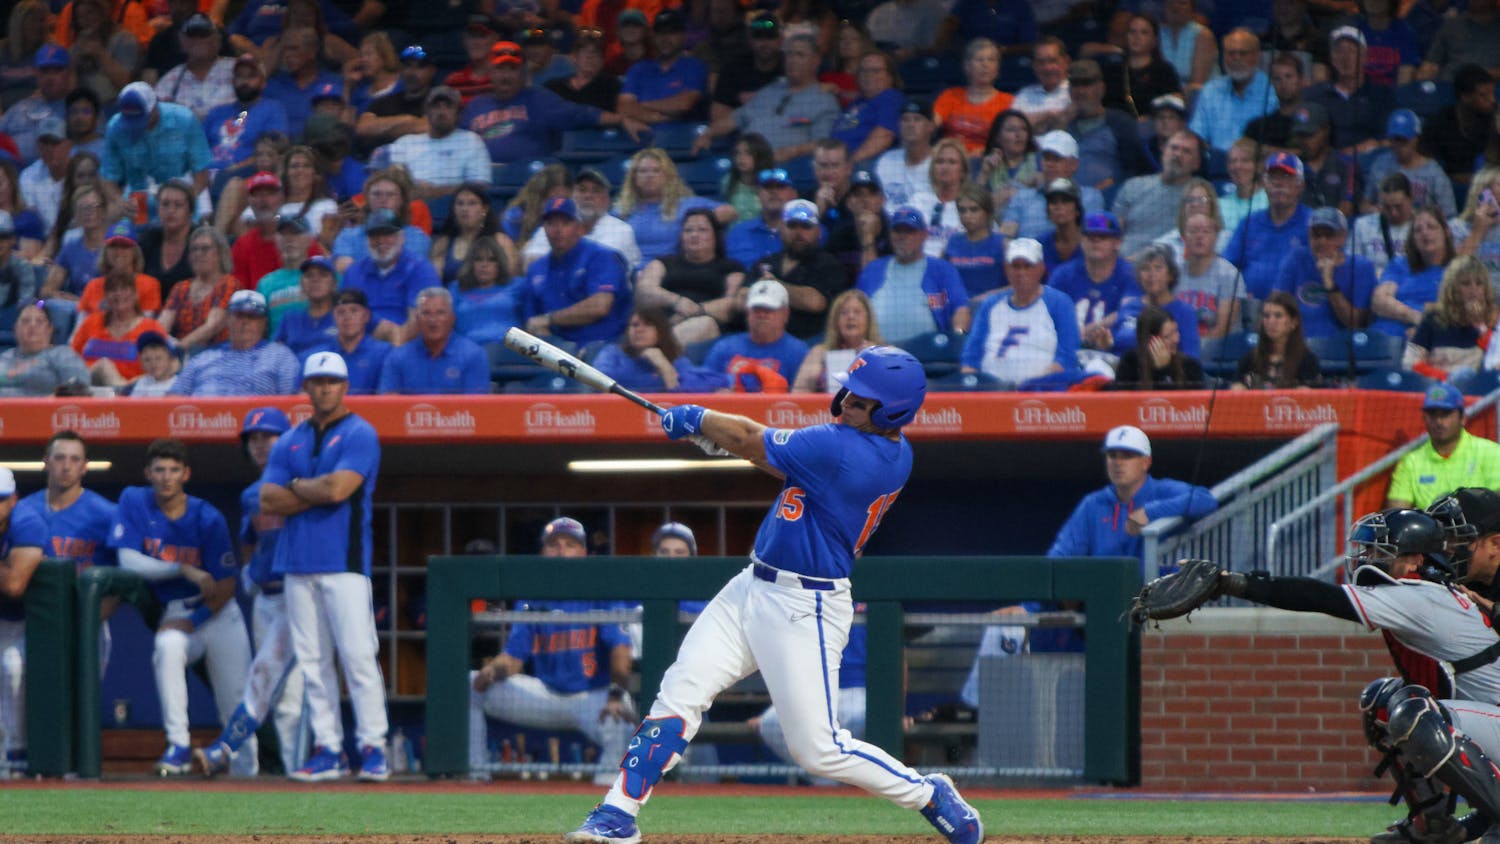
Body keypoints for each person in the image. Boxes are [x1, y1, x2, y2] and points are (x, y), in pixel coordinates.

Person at [563, 345, 987, 844]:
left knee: (818, 750)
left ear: (894, 410)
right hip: (751, 586)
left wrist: (698, 417)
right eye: (849, 390)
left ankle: (929, 793)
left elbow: (751, 437)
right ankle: (618, 812)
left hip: (804, 606)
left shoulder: (849, 450)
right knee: (679, 692)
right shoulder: (870, 446)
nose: (848, 400)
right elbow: (781, 460)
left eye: (863, 399)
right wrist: (727, 442)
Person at [259, 351, 388, 782]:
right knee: (313, 661)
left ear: (344, 386)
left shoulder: (360, 432)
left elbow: (338, 489)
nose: (325, 388)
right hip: (296, 562)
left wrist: (296, 487)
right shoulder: (289, 438)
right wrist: (307, 491)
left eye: (332, 381)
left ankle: (374, 746)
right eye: (317, 381)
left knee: (357, 656)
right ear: (307, 387)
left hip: (344, 562)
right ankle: (329, 748)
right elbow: (267, 498)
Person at [110, 437, 252, 777]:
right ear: (148, 472)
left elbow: (227, 585)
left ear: (186, 474)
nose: (166, 477)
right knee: (167, 646)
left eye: (174, 470)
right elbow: (126, 560)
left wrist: (197, 619)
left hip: (217, 614)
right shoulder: (134, 500)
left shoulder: (207, 516)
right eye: (159, 469)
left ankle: (248, 771)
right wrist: (180, 569)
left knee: (235, 697)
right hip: (177, 607)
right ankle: (178, 744)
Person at [469, 517, 636, 784]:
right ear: (542, 553)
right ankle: (474, 775)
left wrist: (617, 693)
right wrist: (492, 670)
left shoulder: (601, 589)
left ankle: (606, 798)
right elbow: (514, 658)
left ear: (583, 553)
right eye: (553, 545)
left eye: (570, 545)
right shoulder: (533, 595)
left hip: (592, 697)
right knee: (470, 685)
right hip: (545, 696)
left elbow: (619, 649)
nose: (561, 551)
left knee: (622, 723)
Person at [194, 407, 304, 779]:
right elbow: (249, 540)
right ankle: (252, 772)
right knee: (265, 686)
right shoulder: (250, 495)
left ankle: (294, 775)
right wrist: (249, 571)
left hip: (298, 597)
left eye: (267, 436)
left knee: (289, 698)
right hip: (265, 598)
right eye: (253, 439)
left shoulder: (303, 484)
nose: (259, 445)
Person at [0, 431, 117, 771]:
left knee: (78, 700)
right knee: (13, 675)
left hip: (80, 617)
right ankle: (18, 757)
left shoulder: (104, 512)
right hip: (29, 619)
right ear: (46, 462)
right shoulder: (32, 505)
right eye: (59, 457)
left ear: (84, 467)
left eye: (74, 459)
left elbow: (119, 579)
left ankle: (75, 768)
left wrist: (91, 621)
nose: (66, 466)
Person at [1048, 425, 1217, 569]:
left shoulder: (1161, 490)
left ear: (1146, 462)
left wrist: (1149, 512)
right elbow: (1062, 554)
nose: (1118, 462)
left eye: (1127, 456)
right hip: (1108, 595)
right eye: (1112, 455)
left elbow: (1206, 500)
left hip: (1158, 598)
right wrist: (1031, 605)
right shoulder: (1093, 504)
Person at [463, 40, 646, 165]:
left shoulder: (538, 99)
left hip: (528, 179)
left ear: (522, 73)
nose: (505, 76)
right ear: (491, 72)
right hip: (483, 183)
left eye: (512, 69)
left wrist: (620, 119)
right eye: (500, 69)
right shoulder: (475, 106)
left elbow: (580, 114)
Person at [690, 33, 840, 162]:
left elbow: (822, 142)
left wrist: (791, 151)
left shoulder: (824, 100)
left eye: (800, 55)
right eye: (789, 54)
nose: (792, 60)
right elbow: (737, 118)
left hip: (784, 168)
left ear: (816, 61)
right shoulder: (771, 89)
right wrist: (709, 133)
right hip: (745, 162)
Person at [960, 237, 1079, 387]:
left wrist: (1026, 387)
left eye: (1028, 266)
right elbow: (971, 358)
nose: (1021, 272)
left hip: (1042, 393)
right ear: (1006, 269)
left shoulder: (1059, 303)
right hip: (991, 393)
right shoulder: (990, 305)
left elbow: (1067, 358)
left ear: (1041, 268)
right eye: (1015, 266)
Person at [519, 197, 632, 346]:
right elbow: (532, 320)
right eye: (551, 223)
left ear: (579, 228)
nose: (558, 230)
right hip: (556, 349)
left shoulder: (602, 256)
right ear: (544, 229)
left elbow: (600, 306)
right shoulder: (537, 269)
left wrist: (550, 319)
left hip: (602, 344)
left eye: (565, 223)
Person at [855, 206, 969, 346]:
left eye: (910, 231)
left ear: (924, 235)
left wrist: (957, 340)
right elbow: (856, 308)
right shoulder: (873, 269)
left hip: (929, 354)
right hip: (879, 353)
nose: (903, 236)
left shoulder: (942, 269)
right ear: (890, 235)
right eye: (898, 231)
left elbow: (960, 307)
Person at [636, 209, 745, 347]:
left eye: (702, 230)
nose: (694, 235)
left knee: (703, 324)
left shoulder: (732, 267)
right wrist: (677, 302)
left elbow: (732, 303)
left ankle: (659, 350)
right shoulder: (663, 263)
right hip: (662, 323)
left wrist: (693, 311)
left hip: (705, 324)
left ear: (716, 236)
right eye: (688, 230)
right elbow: (644, 291)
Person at [1385, 383, 1500, 508]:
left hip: (1479, 527)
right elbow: (1397, 513)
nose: (1439, 421)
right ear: (1424, 418)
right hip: (1431, 527)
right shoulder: (1411, 462)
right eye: (1432, 414)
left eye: (1446, 414)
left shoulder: (1491, 452)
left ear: (1463, 418)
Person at [750, 199, 851, 341]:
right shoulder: (766, 262)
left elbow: (815, 302)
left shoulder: (829, 264)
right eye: (792, 225)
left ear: (818, 231)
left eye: (806, 226)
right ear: (781, 228)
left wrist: (770, 287)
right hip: (765, 340)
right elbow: (741, 298)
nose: (798, 232)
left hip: (811, 341)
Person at [169, 290, 301, 396]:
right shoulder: (203, 358)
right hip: (207, 424)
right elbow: (172, 401)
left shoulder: (281, 357)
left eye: (252, 317)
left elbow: (291, 404)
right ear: (227, 319)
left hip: (256, 426)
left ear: (264, 323)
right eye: (239, 316)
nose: (245, 322)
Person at [615, 148, 732, 267]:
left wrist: (698, 223)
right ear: (634, 177)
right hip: (631, 271)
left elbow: (729, 212)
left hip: (674, 270)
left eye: (656, 170)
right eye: (643, 171)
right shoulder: (622, 210)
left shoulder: (687, 205)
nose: (649, 176)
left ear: (668, 176)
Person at [1271, 207, 1376, 339]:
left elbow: (1354, 322)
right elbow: (1276, 304)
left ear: (1343, 237)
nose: (1322, 241)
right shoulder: (1297, 258)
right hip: (1297, 344)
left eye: (1329, 235)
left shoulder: (1361, 267)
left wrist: (1328, 281)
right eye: (1316, 235)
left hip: (1340, 349)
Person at [1226, 152, 1313, 311]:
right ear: (1265, 185)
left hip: (1297, 311)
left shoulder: (1313, 224)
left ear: (1300, 185)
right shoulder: (1249, 223)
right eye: (1273, 178)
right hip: (1250, 308)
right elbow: (1227, 267)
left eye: (1286, 178)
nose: (1279, 184)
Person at [341, 209, 442, 343]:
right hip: (361, 345)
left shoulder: (421, 268)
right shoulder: (353, 272)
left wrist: (395, 342)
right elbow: (344, 315)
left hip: (408, 346)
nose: (381, 241)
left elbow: (421, 320)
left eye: (388, 234)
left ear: (402, 238)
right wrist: (381, 328)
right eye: (374, 236)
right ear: (367, 240)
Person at [102, 82, 211, 203]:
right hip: (139, 194)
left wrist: (187, 202)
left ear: (154, 106)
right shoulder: (115, 127)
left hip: (183, 188)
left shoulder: (185, 120)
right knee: (113, 215)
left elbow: (201, 171)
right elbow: (108, 176)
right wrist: (120, 202)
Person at [1049, 211, 1139, 356]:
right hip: (1066, 353)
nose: (1096, 241)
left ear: (1117, 242)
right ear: (1081, 240)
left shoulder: (1131, 275)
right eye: (1090, 237)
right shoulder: (1063, 274)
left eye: (1103, 237)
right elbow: (1048, 312)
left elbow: (1130, 311)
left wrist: (1095, 327)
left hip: (1113, 353)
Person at [1403, 256, 1496, 387]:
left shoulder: (1494, 321)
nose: (1473, 290)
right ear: (1452, 288)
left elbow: (1495, 360)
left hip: (1480, 394)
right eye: (1466, 283)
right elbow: (1410, 362)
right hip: (1438, 390)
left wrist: (1479, 325)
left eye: (1479, 284)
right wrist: (1446, 378)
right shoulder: (1433, 318)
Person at [703, 279, 810, 392]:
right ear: (748, 312)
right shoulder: (724, 347)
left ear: (785, 313)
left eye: (769, 309)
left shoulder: (798, 351)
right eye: (756, 309)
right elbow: (702, 385)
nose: (762, 315)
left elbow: (801, 396)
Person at [376, 287, 489, 394]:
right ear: (417, 319)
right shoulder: (397, 357)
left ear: (452, 318)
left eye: (440, 313)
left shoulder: (474, 355)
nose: (433, 320)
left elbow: (475, 408)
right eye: (426, 313)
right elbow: (389, 406)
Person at [387, 87, 492, 202]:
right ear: (426, 112)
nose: (442, 111)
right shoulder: (405, 142)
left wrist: (436, 192)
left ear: (458, 113)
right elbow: (389, 182)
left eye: (448, 106)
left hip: (452, 209)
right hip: (409, 207)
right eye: (436, 106)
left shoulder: (471, 141)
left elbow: (480, 186)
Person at [1064, 59, 1152, 192]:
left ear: (1101, 88)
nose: (1080, 91)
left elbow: (1138, 168)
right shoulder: (1063, 124)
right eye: (1075, 85)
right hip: (1065, 200)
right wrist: (1060, 124)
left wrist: (1116, 181)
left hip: (1110, 197)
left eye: (1087, 84)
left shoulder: (1120, 122)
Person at [1112, 130, 1203, 256]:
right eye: (1174, 148)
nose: (1177, 154)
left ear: (1197, 164)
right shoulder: (1133, 186)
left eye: (1186, 151)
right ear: (1164, 151)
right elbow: (1114, 232)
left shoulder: (1198, 194)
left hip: (1168, 267)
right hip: (1124, 264)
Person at [1000, 131, 1105, 241]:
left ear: (1074, 165)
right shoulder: (1022, 197)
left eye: (1056, 159)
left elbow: (1094, 237)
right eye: (1046, 158)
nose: (1050, 164)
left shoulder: (1090, 197)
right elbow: (1006, 236)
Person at [1188, 30, 1278, 156]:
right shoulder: (1211, 89)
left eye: (1243, 53)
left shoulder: (1271, 90)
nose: (1236, 58)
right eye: (1231, 53)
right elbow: (1197, 136)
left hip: (1255, 165)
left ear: (1257, 56)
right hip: (1214, 166)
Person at [70, 271, 168, 387]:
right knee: (104, 366)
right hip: (89, 388)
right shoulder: (91, 322)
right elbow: (72, 357)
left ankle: (121, 391)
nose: (119, 294)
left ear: (135, 294)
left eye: (124, 289)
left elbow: (166, 365)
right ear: (105, 296)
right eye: (113, 290)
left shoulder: (152, 328)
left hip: (135, 389)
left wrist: (137, 383)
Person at [1371, 207, 1454, 338]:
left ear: (1447, 232)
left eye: (1431, 227)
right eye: (1418, 230)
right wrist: (1416, 316)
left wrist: (1425, 329)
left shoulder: (1457, 269)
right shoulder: (1400, 264)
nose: (1425, 233)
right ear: (1413, 238)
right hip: (1382, 337)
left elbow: (1452, 313)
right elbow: (1379, 301)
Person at [1114, 243, 1200, 360]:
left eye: (1158, 268)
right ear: (1139, 276)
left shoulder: (1185, 313)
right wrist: (1107, 344)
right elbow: (1115, 347)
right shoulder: (1128, 307)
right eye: (1145, 269)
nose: (1151, 274)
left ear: (1171, 275)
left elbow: (1191, 360)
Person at [1362, 111, 1455, 219]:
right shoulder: (1380, 164)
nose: (1400, 145)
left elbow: (1449, 213)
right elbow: (1365, 204)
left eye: (1404, 140)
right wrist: (1372, 210)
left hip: (1420, 229)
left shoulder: (1434, 172)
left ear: (1416, 139)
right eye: (1396, 139)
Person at [159, 226, 236, 353]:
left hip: (217, 354)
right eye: (194, 249)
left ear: (220, 253)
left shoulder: (229, 284)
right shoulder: (181, 288)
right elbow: (162, 325)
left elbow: (212, 326)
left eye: (205, 249)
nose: (198, 254)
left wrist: (178, 349)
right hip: (180, 353)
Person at [933, 38, 1014, 157]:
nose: (985, 65)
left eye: (991, 60)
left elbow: (1010, 141)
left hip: (987, 162)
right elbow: (930, 126)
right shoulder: (950, 95)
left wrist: (987, 152)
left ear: (997, 67)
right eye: (979, 60)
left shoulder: (1008, 102)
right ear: (967, 66)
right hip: (950, 159)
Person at [303, 289, 390, 395]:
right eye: (341, 312)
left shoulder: (384, 353)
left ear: (366, 316)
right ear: (333, 317)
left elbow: (388, 395)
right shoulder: (318, 355)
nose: (347, 317)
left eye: (354, 311)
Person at [793, 290, 881, 393]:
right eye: (844, 313)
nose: (851, 317)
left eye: (857, 312)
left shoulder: (883, 353)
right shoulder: (819, 353)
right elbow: (797, 393)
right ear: (835, 321)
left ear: (868, 318)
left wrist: (875, 360)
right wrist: (811, 380)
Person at [1096, 14, 1183, 119]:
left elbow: (1175, 103)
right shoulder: (1111, 71)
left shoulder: (1164, 71)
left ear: (1155, 40)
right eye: (1132, 32)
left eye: (1144, 33)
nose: (1137, 37)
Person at [355, 44, 439, 153]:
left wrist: (383, 129)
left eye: (419, 67)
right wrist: (408, 120)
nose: (411, 72)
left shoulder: (438, 100)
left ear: (432, 71)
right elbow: (363, 128)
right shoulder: (385, 101)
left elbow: (430, 128)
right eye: (407, 66)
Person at [1420, 64, 1494, 187]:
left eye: (1492, 93)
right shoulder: (1442, 121)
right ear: (1465, 97)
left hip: (1488, 189)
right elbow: (1425, 157)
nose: (1492, 100)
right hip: (1447, 187)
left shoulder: (1495, 120)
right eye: (1483, 95)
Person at [153, 14, 235, 121]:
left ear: (217, 40)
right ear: (182, 41)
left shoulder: (238, 69)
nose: (198, 40)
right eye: (192, 35)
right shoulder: (169, 81)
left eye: (204, 34)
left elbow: (253, 107)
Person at [1232, 291, 1321, 389]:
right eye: (1266, 316)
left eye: (1278, 316)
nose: (1271, 321)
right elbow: (1236, 390)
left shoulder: (1307, 361)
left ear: (1293, 322)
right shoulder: (1249, 360)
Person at [435, 183, 520, 284]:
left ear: (485, 209)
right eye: (460, 203)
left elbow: (511, 280)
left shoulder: (501, 242)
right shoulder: (443, 244)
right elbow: (433, 282)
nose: (465, 209)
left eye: (472, 203)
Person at [0, 303, 88, 396]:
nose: (32, 325)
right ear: (16, 328)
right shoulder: (4, 358)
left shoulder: (63, 355)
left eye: (39, 321)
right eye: (25, 321)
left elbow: (79, 389)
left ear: (49, 329)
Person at [831, 51, 901, 164]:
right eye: (864, 71)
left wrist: (850, 163)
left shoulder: (890, 98)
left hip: (863, 165)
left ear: (890, 77)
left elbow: (884, 136)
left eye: (875, 71)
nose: (868, 75)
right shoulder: (858, 102)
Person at [1112, 305, 1205, 389]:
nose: (1176, 339)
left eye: (1176, 331)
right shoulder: (1130, 363)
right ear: (1150, 341)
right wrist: (1159, 373)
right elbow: (1125, 403)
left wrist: (1163, 370)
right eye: (1168, 336)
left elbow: (1182, 404)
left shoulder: (1190, 366)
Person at [943, 183, 1008, 301]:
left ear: (988, 212)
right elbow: (938, 278)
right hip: (957, 310)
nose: (967, 216)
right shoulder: (953, 242)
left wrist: (985, 298)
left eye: (974, 210)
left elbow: (1015, 287)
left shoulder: (1003, 244)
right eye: (962, 210)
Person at [726, 167, 799, 269]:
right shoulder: (738, 232)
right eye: (767, 187)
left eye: (780, 187)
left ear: (794, 194)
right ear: (759, 194)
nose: (774, 191)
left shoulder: (807, 232)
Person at [874, 99, 936, 211]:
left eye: (917, 119)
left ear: (930, 126)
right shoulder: (886, 161)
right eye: (905, 120)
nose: (910, 124)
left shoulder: (941, 163)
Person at [1352, 173, 1418, 279]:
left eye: (1398, 206)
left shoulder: (1423, 227)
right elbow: (1354, 265)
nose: (1393, 213)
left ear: (1411, 199)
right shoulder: (1362, 226)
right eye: (1387, 207)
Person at [273, 255, 338, 356]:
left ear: (334, 284)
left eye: (323, 275)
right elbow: (276, 356)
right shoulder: (290, 318)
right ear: (302, 285)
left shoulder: (342, 318)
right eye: (309, 275)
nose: (315, 280)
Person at [1011, 37, 1071, 134]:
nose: (1047, 67)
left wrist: (1030, 120)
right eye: (1041, 62)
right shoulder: (1024, 94)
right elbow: (1012, 126)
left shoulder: (1076, 91)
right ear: (1034, 66)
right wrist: (1047, 115)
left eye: (1053, 61)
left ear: (1066, 62)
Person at [121, 330, 180, 397]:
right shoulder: (141, 384)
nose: (153, 363)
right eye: (147, 360)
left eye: (158, 358)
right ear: (142, 363)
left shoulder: (179, 384)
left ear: (169, 359)